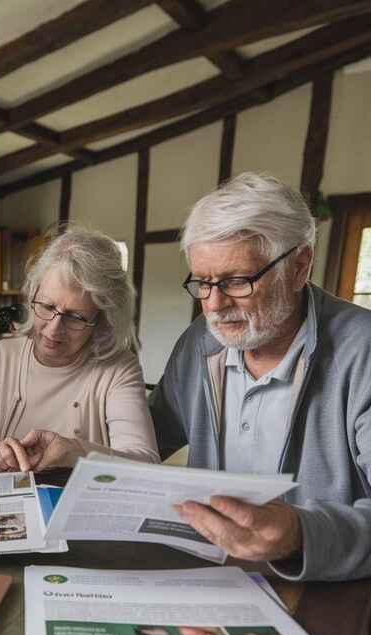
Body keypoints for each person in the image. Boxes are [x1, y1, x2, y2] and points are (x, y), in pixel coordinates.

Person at [149, 172, 371, 581]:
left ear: (300, 266)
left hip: (330, 592)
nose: (213, 305)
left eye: (237, 281)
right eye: (202, 282)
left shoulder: (364, 352)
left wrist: (301, 535)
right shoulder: (200, 342)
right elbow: (150, 438)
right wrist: (75, 449)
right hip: (211, 575)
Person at [0, 226, 158, 472]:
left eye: (75, 317)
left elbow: (146, 462)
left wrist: (75, 451)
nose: (53, 330)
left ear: (101, 320)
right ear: (32, 295)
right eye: (46, 306)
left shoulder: (119, 368)